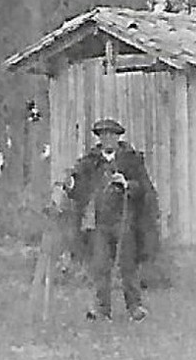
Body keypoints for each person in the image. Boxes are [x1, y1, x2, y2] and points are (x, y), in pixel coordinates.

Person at [64, 118, 160, 321]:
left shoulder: (131, 160)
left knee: (127, 265)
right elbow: (78, 190)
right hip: (99, 223)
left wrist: (127, 184)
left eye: (112, 135)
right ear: (99, 139)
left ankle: (135, 307)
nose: (108, 139)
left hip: (125, 221)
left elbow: (144, 188)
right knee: (100, 266)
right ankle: (101, 309)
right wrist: (70, 185)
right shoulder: (90, 162)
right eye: (103, 135)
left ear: (118, 137)